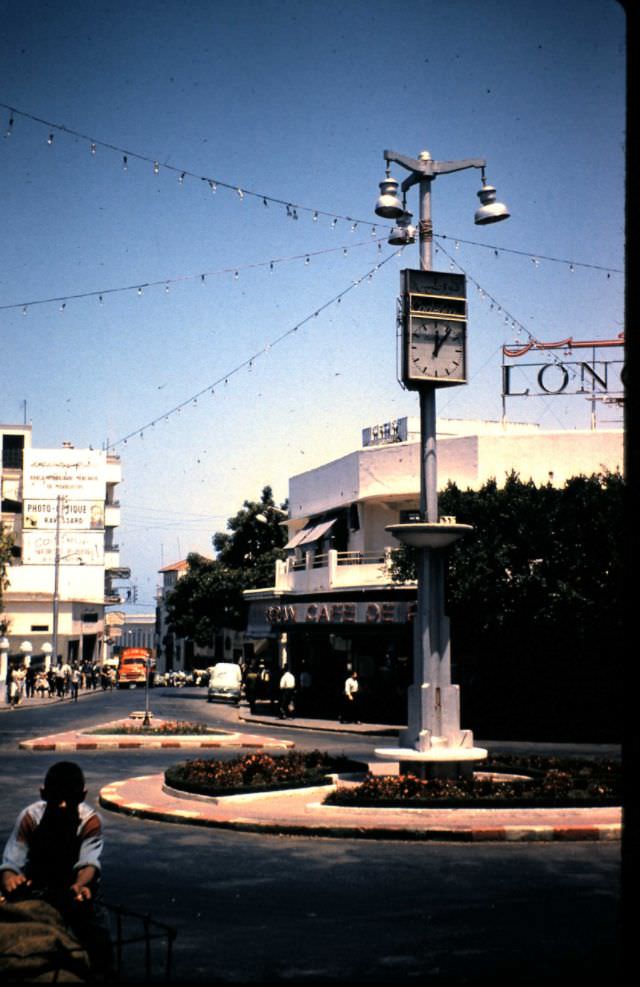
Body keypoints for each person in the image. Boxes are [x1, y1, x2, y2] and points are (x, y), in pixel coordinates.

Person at [0, 761, 113, 974]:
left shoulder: (89, 822)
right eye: (56, 798)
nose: (62, 805)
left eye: (69, 799)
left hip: (76, 891)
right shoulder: (30, 817)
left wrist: (80, 884)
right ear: (43, 794)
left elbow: (88, 862)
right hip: (36, 891)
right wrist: (10, 878)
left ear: (82, 796)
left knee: (100, 947)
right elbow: (11, 861)